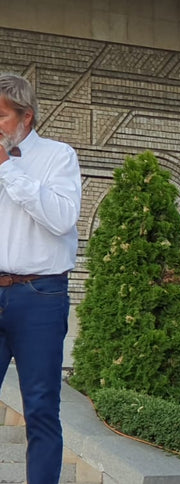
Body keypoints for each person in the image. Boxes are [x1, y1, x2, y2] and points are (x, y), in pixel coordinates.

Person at [0, 73, 82, 484]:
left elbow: (62, 219)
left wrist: (7, 170)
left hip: (39, 295)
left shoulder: (58, 156)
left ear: (25, 117)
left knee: (41, 407)